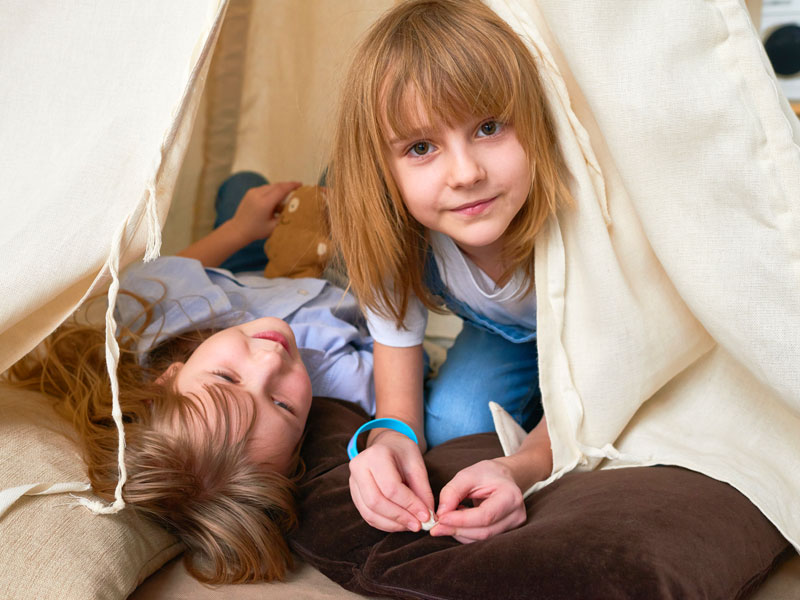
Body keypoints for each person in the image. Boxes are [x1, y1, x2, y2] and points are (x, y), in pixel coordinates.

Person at [4, 174, 375, 584]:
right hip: (329, 289)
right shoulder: (349, 383)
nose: (270, 361)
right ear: (296, 451)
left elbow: (165, 272)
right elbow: (395, 336)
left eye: (227, 377)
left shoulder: (158, 311)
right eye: (282, 405)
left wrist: (238, 230)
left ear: (167, 378)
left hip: (235, 279)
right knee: (345, 185)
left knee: (242, 187)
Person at [326, 0, 571, 543]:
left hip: (598, 338)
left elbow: (603, 378)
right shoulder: (401, 243)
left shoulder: (579, 222)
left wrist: (523, 465)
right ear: (381, 168)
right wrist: (386, 447)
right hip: (503, 336)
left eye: (489, 127)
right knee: (452, 427)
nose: (465, 173)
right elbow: (399, 414)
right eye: (420, 147)